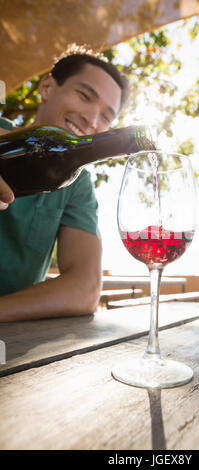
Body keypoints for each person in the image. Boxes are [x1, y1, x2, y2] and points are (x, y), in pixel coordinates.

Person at [0, 44, 130, 322]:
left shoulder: (77, 184)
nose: (92, 119)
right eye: (84, 96)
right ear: (47, 87)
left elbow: (85, 289)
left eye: (106, 116)